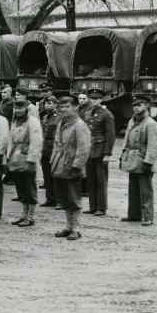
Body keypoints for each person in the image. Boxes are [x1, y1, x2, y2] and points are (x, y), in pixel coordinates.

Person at [51, 96, 91, 240]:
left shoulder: (80, 125)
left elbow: (84, 148)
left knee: (74, 199)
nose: (64, 110)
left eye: (67, 107)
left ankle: (76, 228)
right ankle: (68, 227)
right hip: (60, 164)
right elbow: (57, 144)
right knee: (65, 199)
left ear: (74, 107)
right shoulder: (62, 122)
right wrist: (53, 161)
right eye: (62, 107)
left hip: (72, 166)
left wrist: (77, 166)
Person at [120, 95, 157, 226]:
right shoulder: (132, 122)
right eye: (134, 105)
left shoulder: (151, 123)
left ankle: (148, 216)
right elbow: (126, 140)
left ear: (147, 106)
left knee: (145, 191)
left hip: (143, 160)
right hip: (132, 159)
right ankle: (134, 215)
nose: (136, 107)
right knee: (133, 189)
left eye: (139, 104)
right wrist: (122, 156)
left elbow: (153, 145)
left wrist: (149, 161)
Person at [7, 99, 43, 227]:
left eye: (20, 108)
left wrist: (31, 160)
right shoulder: (16, 122)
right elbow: (11, 140)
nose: (17, 111)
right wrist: (9, 157)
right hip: (17, 159)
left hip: (28, 159)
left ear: (26, 109)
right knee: (21, 189)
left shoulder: (32, 122)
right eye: (15, 108)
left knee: (30, 190)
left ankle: (31, 217)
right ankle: (23, 215)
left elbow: (36, 141)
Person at [83, 88, 116, 217]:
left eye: (96, 98)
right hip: (89, 151)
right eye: (91, 98)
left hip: (101, 151)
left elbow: (110, 135)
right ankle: (92, 206)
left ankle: (101, 208)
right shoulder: (87, 113)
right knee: (91, 180)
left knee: (101, 180)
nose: (93, 101)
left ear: (101, 99)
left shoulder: (107, 114)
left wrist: (108, 153)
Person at [39, 96, 61, 208]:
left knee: (55, 176)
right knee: (46, 175)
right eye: (46, 104)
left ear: (55, 105)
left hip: (54, 149)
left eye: (49, 103)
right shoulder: (45, 117)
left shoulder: (59, 118)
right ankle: (50, 199)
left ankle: (58, 199)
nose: (47, 106)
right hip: (45, 149)